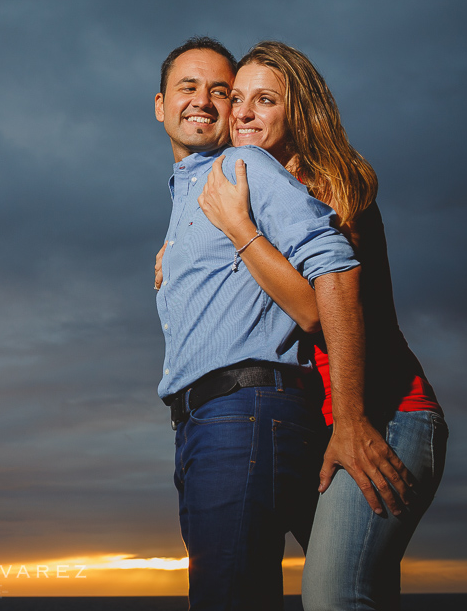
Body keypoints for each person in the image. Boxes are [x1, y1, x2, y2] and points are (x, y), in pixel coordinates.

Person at [152, 37, 410, 611]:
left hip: (246, 412)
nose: (213, 103)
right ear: (159, 104)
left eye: (222, 91)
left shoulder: (244, 168)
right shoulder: (197, 190)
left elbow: (332, 277)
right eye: (188, 87)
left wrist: (349, 420)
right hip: (210, 422)